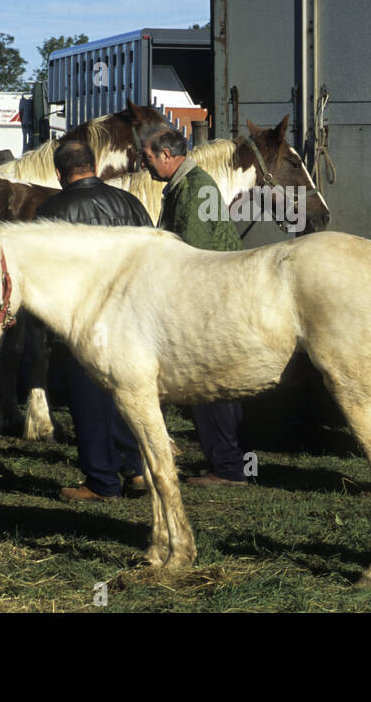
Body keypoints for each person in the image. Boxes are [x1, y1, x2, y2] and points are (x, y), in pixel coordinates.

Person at [36, 140, 154, 502]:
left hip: (81, 322)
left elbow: (43, 273)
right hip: (128, 318)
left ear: (59, 173)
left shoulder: (51, 210)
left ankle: (102, 481)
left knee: (89, 402)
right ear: (95, 165)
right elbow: (151, 255)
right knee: (125, 394)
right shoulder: (130, 204)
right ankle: (136, 469)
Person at [140, 125, 248, 488]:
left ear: (167, 156)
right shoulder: (188, 184)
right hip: (210, 297)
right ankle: (226, 464)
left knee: (210, 384)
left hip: (208, 300)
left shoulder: (195, 187)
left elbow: (193, 254)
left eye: (149, 158)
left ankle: (229, 468)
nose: (146, 166)